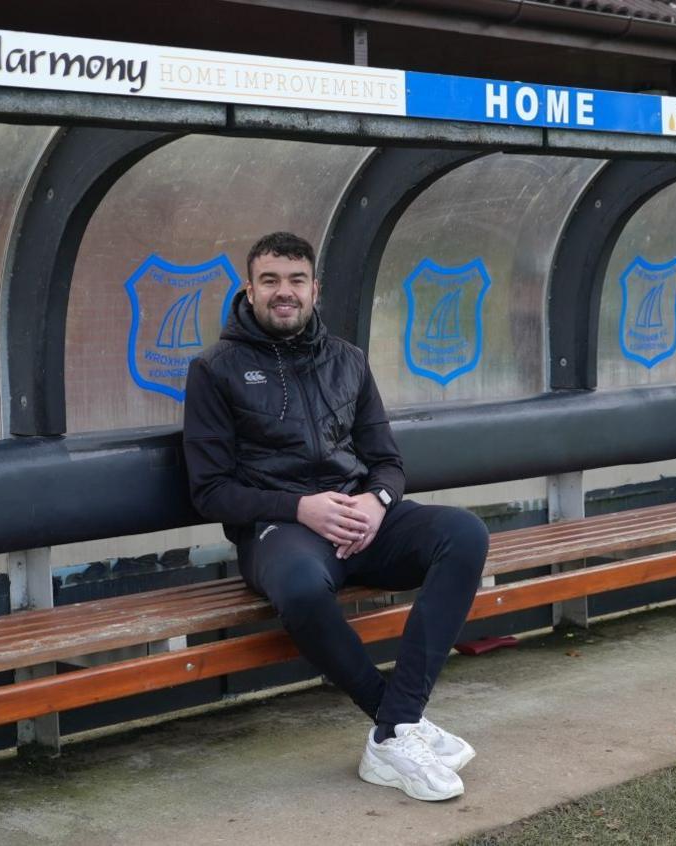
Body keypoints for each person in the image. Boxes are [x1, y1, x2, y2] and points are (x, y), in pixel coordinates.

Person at [182, 231, 490, 801]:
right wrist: (301, 506)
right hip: (280, 529)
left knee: (463, 533)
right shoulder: (214, 369)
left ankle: (394, 728)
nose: (284, 292)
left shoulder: (348, 360)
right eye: (270, 280)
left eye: (296, 280)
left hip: (359, 519)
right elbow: (211, 492)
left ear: (315, 289)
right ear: (248, 289)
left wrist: (377, 503)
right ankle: (397, 724)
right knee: (299, 588)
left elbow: (388, 463)